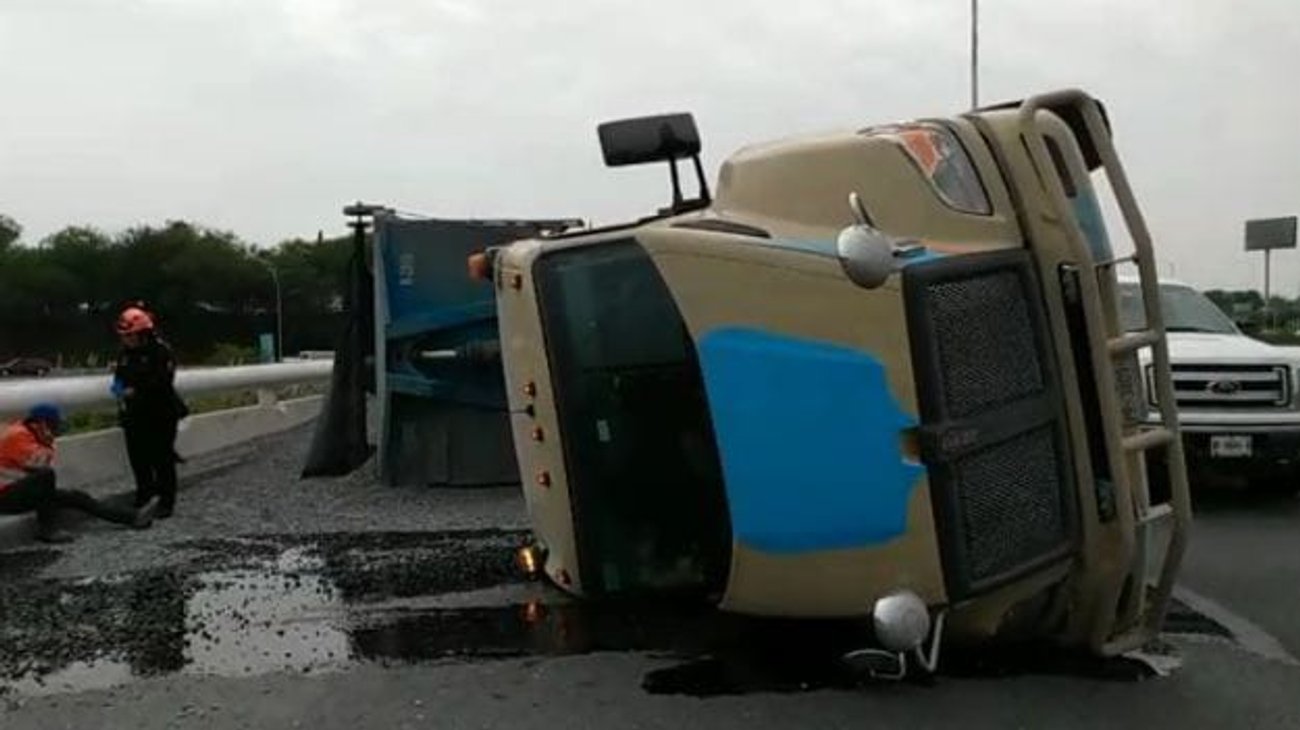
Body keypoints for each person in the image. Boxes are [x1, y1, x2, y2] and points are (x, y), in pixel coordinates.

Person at [0, 403, 159, 543]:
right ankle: (48, 531)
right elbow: (40, 465)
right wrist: (48, 442)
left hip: (15, 491)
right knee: (46, 476)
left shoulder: (29, 434)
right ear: (42, 424)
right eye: (54, 426)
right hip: (4, 496)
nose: (56, 431)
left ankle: (133, 517)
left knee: (77, 497)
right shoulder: (18, 436)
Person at [112, 304, 189, 518]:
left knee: (161, 458)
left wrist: (134, 391)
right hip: (134, 414)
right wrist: (119, 391)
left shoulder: (161, 351)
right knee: (138, 459)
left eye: (130, 335)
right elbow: (118, 378)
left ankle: (166, 501)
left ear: (143, 333)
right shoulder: (124, 354)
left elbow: (163, 382)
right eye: (124, 336)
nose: (126, 340)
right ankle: (143, 496)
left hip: (161, 412)